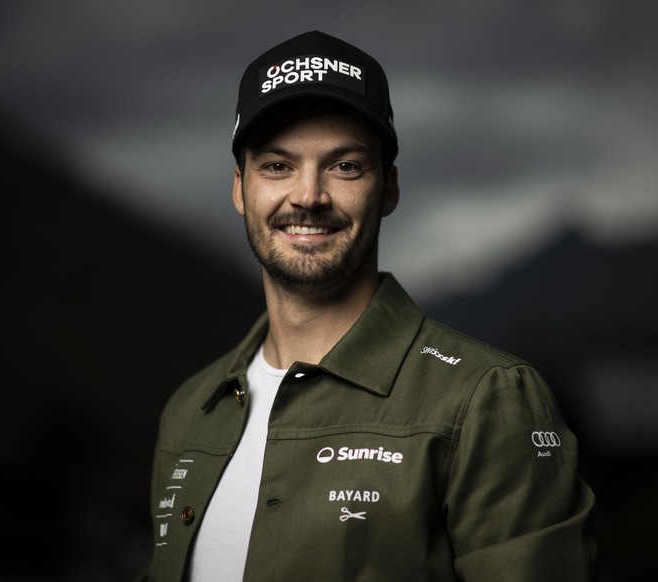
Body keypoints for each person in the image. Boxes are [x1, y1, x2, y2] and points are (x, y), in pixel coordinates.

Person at [141, 30, 596, 582]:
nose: (308, 195)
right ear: (240, 188)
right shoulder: (191, 411)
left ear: (389, 189)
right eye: (277, 166)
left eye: (345, 166)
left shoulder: (486, 401)